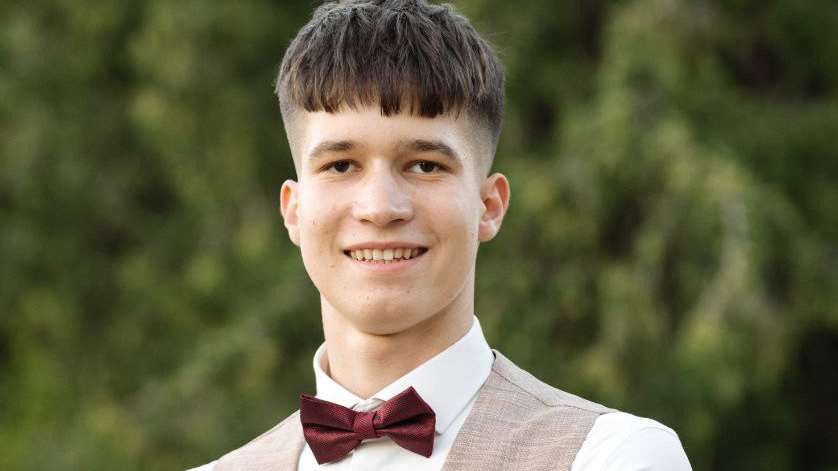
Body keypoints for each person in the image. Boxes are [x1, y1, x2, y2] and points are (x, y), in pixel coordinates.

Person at [188, 0, 692, 469]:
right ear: (294, 211)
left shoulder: (614, 456)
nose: (380, 208)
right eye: (341, 165)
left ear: (489, 206)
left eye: (425, 165)